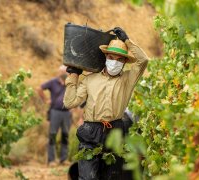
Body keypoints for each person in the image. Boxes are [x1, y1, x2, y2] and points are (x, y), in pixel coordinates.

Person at [63, 27, 149, 179]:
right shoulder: (90, 79)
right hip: (91, 131)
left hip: (115, 132)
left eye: (119, 59)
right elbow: (70, 102)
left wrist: (127, 41)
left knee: (111, 176)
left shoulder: (127, 80)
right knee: (87, 177)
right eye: (111, 57)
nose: (114, 62)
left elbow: (143, 60)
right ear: (105, 58)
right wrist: (73, 76)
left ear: (124, 63)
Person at [37, 65, 72, 166]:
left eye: (66, 72)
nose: (65, 74)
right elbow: (39, 88)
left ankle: (63, 159)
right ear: (59, 73)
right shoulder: (53, 82)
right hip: (55, 112)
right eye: (63, 72)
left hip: (67, 112)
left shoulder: (70, 83)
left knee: (65, 135)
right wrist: (45, 100)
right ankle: (51, 160)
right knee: (52, 135)